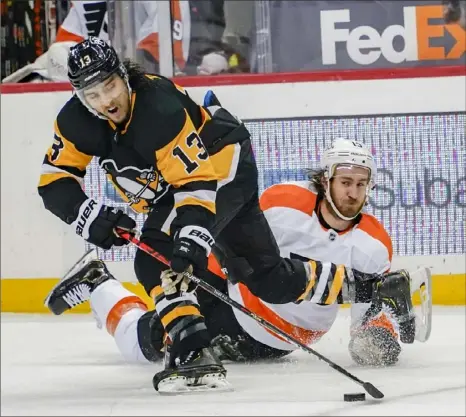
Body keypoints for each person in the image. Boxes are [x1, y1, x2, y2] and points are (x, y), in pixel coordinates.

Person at [42, 103, 430, 393]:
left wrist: (380, 339)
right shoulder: (283, 202)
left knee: (147, 340)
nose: (353, 192)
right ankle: (99, 285)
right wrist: (196, 270)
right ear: (324, 180)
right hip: (230, 297)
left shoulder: (374, 245)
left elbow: (367, 321)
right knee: (147, 342)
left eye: (361, 184)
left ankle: (98, 282)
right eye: (345, 182)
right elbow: (235, 238)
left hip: (273, 343)